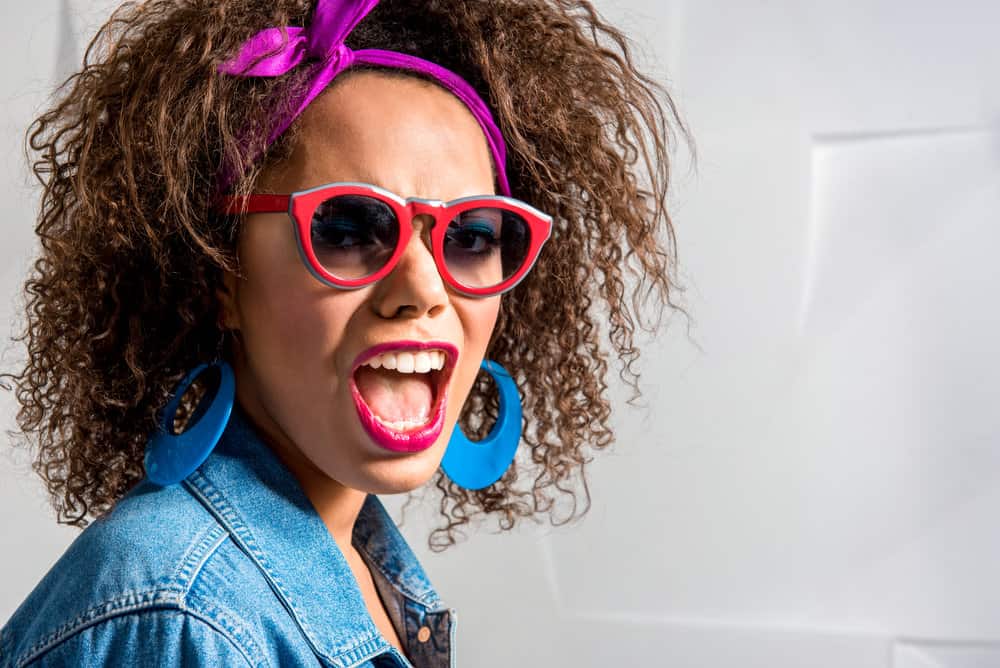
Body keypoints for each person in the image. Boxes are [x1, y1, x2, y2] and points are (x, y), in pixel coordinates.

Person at [0, 0, 688, 665]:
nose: (423, 290)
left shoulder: (358, 559)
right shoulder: (183, 619)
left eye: (472, 236)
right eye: (351, 229)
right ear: (219, 274)